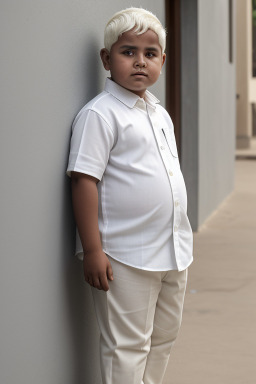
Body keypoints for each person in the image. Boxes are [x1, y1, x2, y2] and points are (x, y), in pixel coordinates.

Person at [67, 7, 193, 384]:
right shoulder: (100, 115)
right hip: (124, 256)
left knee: (163, 338)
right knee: (127, 347)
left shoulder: (158, 112)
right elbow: (84, 180)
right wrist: (92, 250)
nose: (140, 62)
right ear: (107, 58)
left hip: (172, 250)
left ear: (162, 61)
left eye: (150, 54)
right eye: (128, 52)